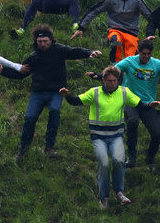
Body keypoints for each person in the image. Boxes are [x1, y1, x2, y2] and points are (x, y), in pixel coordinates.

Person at [61, 65, 160, 208]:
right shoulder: (94, 93)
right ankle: (104, 198)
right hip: (99, 136)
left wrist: (150, 105)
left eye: (115, 81)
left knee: (119, 160)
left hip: (116, 136)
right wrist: (67, 96)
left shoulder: (124, 92)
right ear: (103, 80)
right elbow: (76, 101)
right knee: (104, 164)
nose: (112, 84)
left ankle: (119, 192)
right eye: (109, 81)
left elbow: (139, 104)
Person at [6, 24, 102, 160]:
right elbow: (21, 73)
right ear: (36, 42)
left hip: (56, 91)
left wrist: (89, 53)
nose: (43, 44)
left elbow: (73, 51)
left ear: (51, 40)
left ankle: (49, 148)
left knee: (55, 111)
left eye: (45, 41)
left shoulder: (59, 50)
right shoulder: (34, 56)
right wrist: (2, 71)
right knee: (30, 118)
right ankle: (23, 150)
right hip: (38, 92)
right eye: (40, 42)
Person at [112, 39, 160, 170]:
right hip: (131, 101)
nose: (146, 56)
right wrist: (102, 76)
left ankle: (150, 159)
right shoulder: (130, 61)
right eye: (143, 54)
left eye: (148, 54)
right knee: (132, 122)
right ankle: (131, 156)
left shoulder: (156, 64)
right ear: (139, 52)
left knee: (157, 134)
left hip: (149, 104)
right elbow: (114, 70)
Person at [72, 0, 154, 62]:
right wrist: (81, 27)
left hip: (132, 32)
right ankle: (114, 68)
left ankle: (129, 72)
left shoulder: (136, 1)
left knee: (132, 58)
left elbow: (150, 17)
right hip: (115, 30)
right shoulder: (111, 0)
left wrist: (151, 33)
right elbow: (94, 11)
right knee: (116, 42)